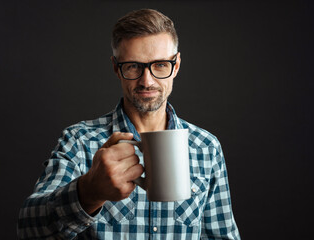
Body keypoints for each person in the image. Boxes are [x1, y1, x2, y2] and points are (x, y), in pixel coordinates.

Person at [18, 8, 240, 239]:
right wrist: (88, 192)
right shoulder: (80, 141)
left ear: (176, 65)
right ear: (116, 67)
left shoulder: (207, 147)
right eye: (133, 66)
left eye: (161, 65)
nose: (147, 80)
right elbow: (28, 230)